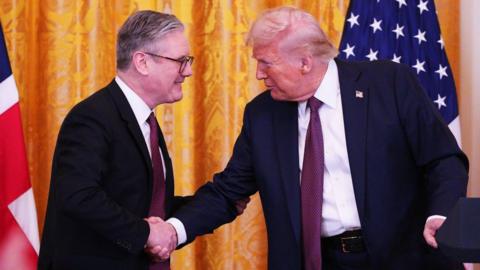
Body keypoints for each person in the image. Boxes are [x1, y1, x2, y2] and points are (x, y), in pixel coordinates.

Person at [160, 6, 469, 270]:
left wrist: (441, 214)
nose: (258, 74)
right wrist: (174, 230)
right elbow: (228, 192)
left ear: (305, 62)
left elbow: (444, 159)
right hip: (318, 261)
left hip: (403, 257)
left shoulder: (389, 84)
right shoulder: (262, 114)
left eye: (266, 63)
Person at [37, 10, 248, 270]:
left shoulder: (144, 120)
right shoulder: (92, 117)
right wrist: (147, 234)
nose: (189, 71)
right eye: (181, 60)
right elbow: (78, 196)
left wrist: (219, 202)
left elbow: (144, 205)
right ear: (142, 62)